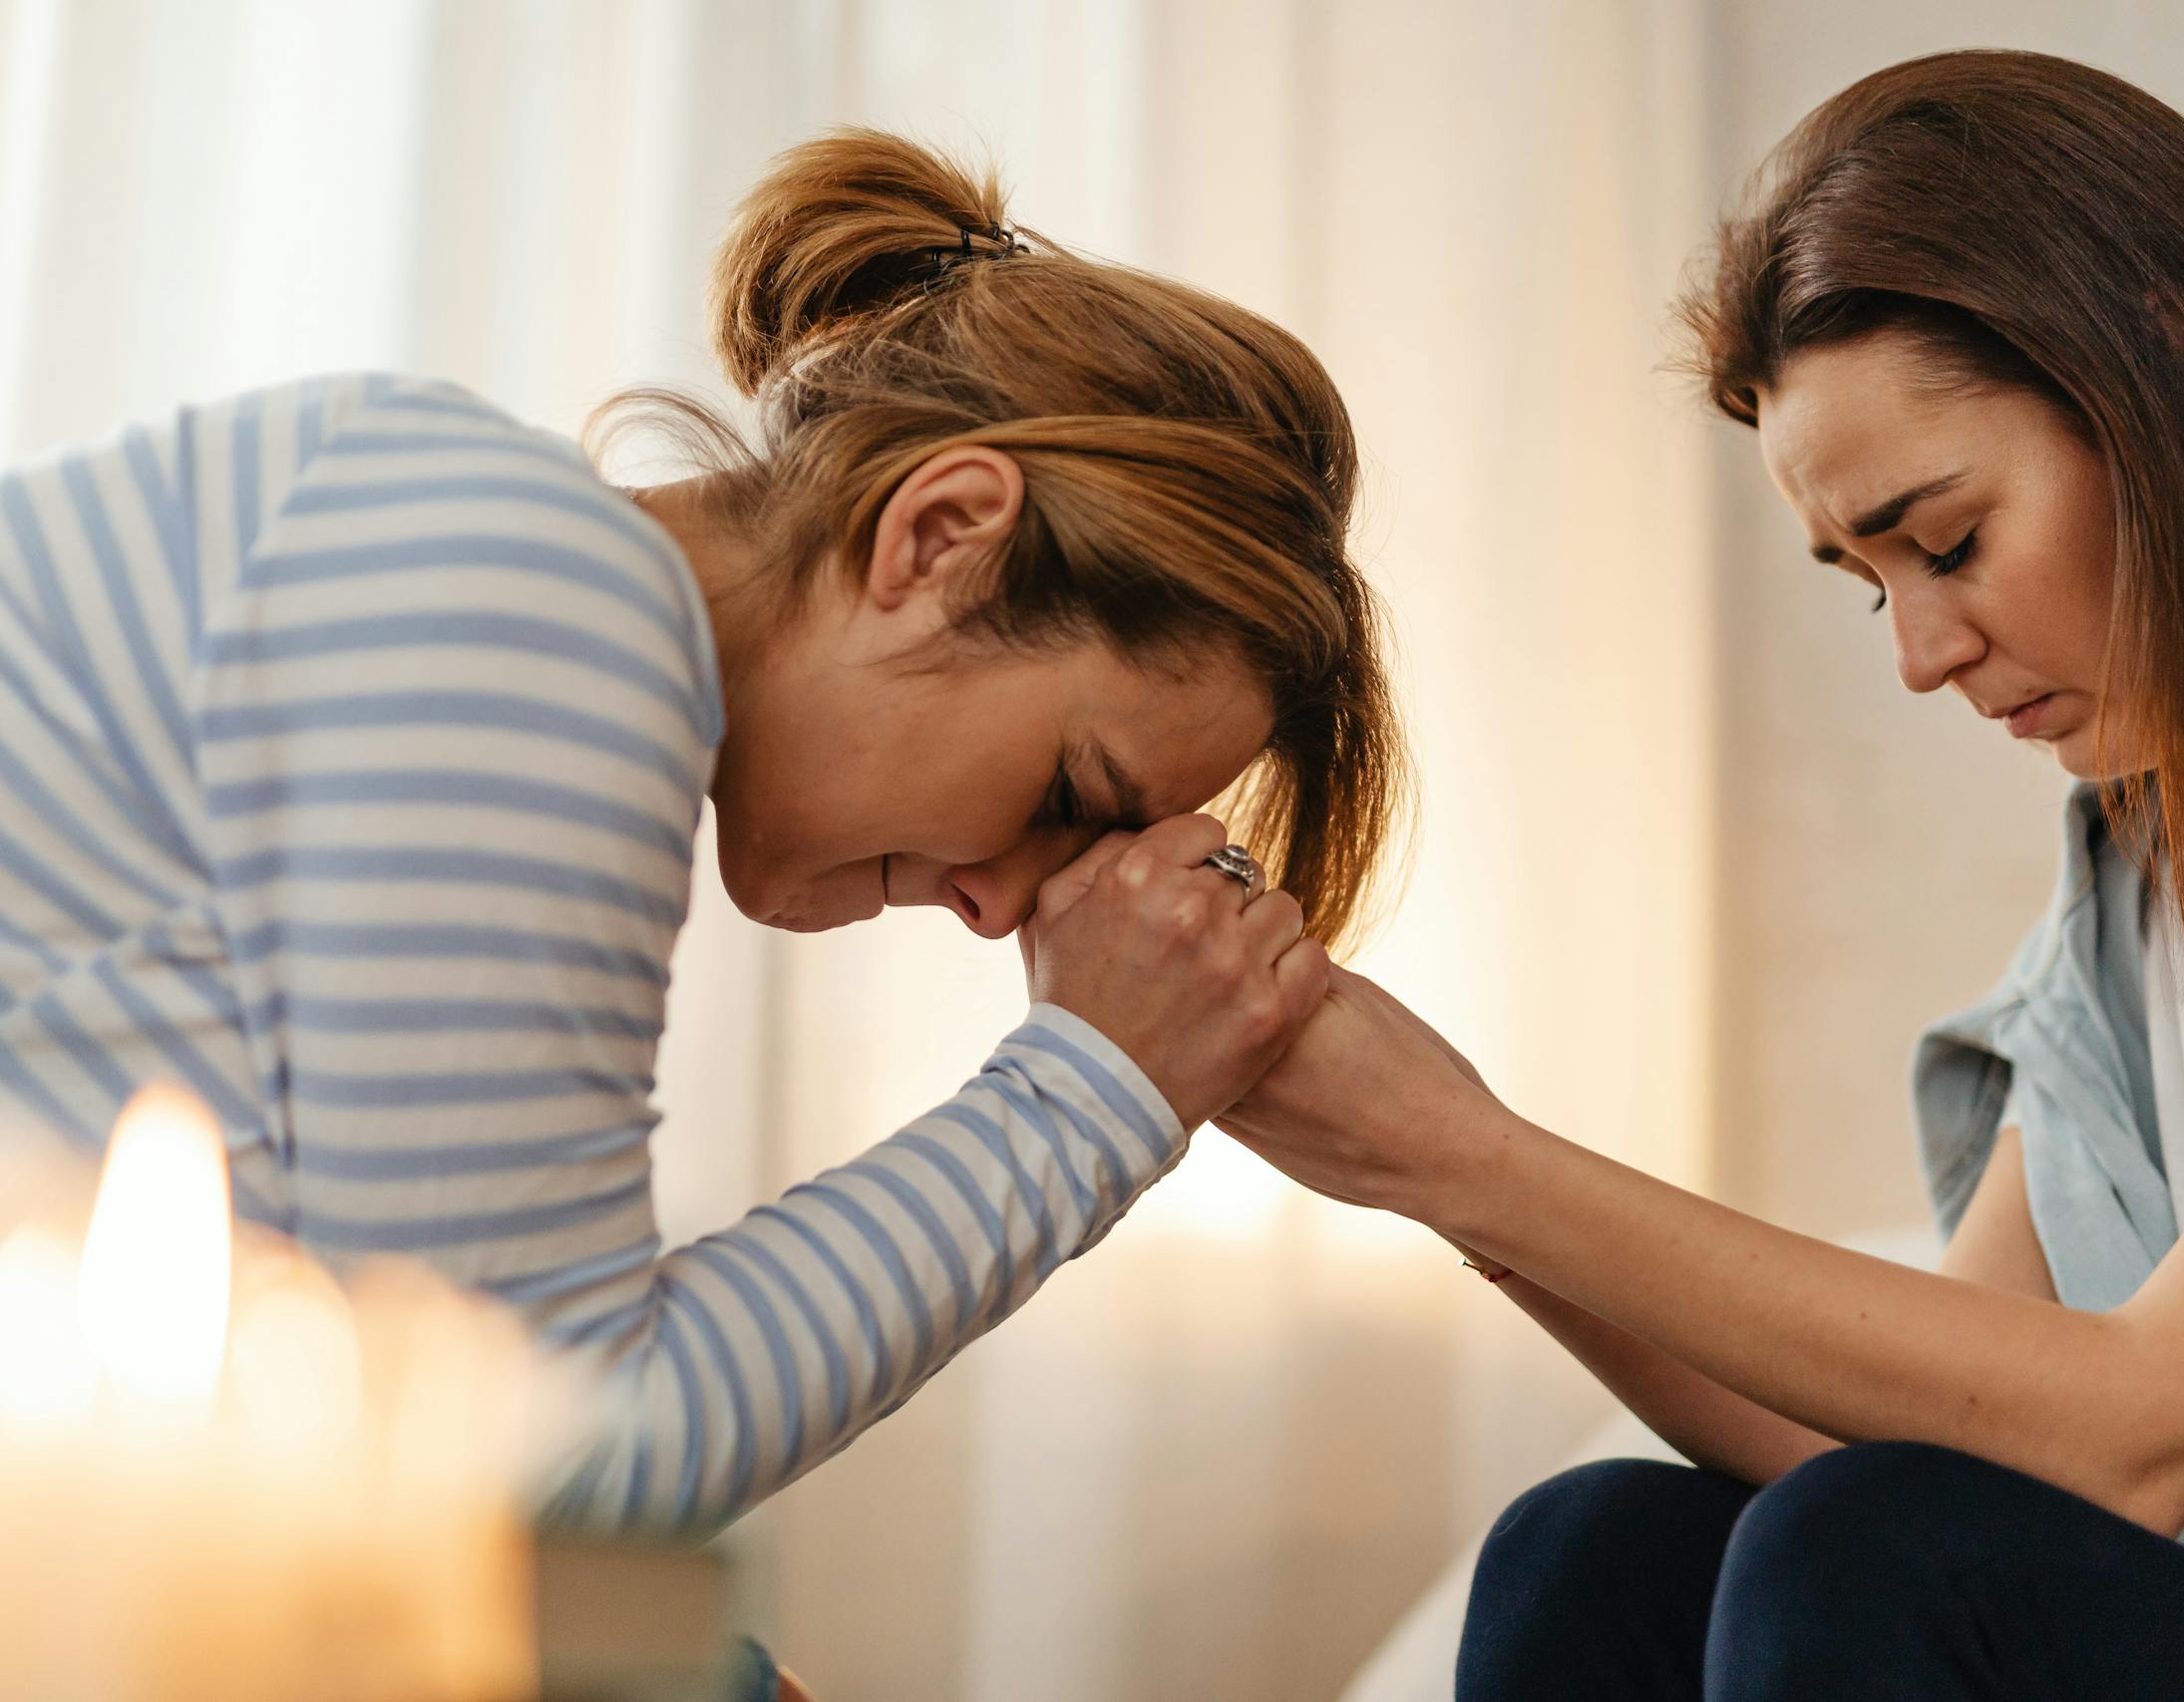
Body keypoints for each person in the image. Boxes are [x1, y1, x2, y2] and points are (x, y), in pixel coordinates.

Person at [1221, 49, 2184, 1702]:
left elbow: (2139, 1420)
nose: (1921, 654)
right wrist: (1444, 1184)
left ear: (2177, 373)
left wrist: (1476, 1155)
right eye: (1870, 583)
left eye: (1948, 540)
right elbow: (1904, 1430)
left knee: (1875, 1549)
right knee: (1594, 1545)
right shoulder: (2153, 864)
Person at [0, 128, 1402, 1531]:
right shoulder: (541, 610)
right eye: (1067, 802)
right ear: (941, 540)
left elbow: (335, 1457)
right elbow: (524, 1487)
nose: (999, 910)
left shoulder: (473, 547)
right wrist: (1094, 1093)